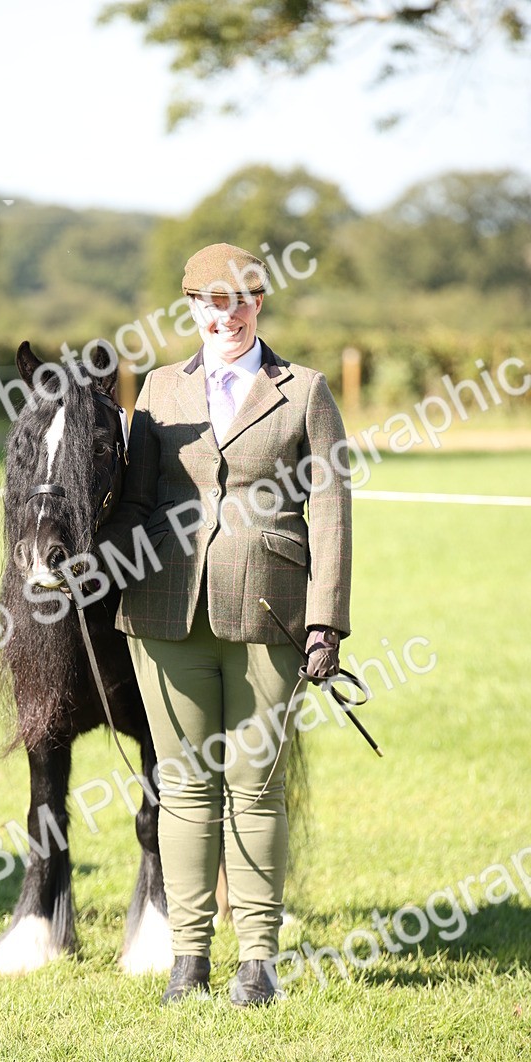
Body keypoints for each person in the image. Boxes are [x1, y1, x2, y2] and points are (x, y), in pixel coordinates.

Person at [98, 242, 352, 1006]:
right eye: (213, 302)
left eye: (241, 300)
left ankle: (259, 962)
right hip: (162, 610)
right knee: (182, 787)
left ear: (259, 302)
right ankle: (188, 960)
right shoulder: (159, 390)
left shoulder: (306, 391)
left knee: (256, 787)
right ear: (193, 307)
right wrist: (98, 565)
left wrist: (326, 623)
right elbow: (136, 502)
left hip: (271, 611)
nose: (227, 315)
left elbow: (331, 511)